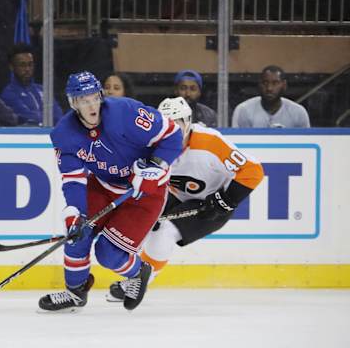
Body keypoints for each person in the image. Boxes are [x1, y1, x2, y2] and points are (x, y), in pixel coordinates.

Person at [38, 71, 182, 312]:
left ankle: (139, 272)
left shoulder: (126, 113)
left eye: (94, 98)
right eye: (84, 101)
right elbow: (73, 180)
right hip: (104, 187)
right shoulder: (63, 135)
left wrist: (156, 165)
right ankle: (75, 293)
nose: (91, 105)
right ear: (74, 103)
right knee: (78, 234)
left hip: (145, 193)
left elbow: (172, 135)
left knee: (108, 253)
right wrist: (75, 212)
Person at [107, 97, 264, 301]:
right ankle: (138, 275)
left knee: (165, 231)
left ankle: (139, 282)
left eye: (177, 124)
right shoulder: (150, 144)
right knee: (142, 225)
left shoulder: (210, 143)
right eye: (166, 125)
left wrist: (225, 200)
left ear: (188, 122)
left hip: (213, 202)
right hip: (174, 194)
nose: (171, 131)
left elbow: (253, 170)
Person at [0, 43, 63, 126]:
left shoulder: (42, 89)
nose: (27, 69)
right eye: (22, 65)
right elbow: (30, 118)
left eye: (30, 64)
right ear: (12, 67)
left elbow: (59, 115)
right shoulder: (8, 93)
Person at [232, 65, 311, 128]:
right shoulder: (243, 110)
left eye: (275, 83)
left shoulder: (298, 112)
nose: (269, 88)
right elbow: (237, 144)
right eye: (265, 83)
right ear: (259, 84)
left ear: (284, 85)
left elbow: (307, 143)